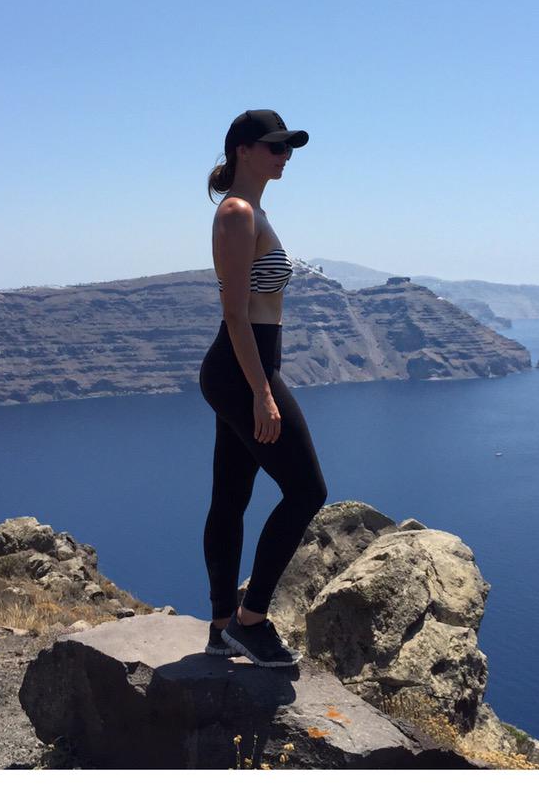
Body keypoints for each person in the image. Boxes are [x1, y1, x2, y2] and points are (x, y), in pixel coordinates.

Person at [198, 109, 328, 667]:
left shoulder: (253, 211)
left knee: (230, 499)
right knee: (307, 491)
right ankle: (250, 622)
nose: (285, 156)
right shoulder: (236, 213)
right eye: (275, 147)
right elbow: (235, 313)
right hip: (241, 370)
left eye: (288, 147)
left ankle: (221, 627)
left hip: (244, 369)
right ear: (243, 150)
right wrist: (262, 392)